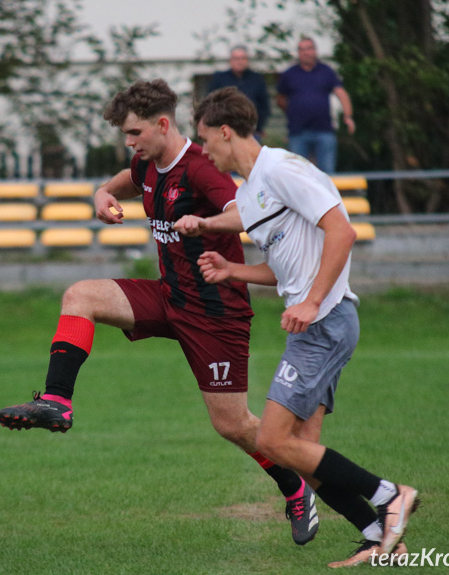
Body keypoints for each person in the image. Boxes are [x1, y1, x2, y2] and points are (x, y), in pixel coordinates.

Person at [0, 79, 319, 545]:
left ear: (162, 125)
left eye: (134, 133)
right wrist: (101, 194)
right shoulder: (148, 164)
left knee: (231, 424)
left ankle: (295, 487)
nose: (130, 143)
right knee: (80, 296)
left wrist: (206, 222)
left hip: (215, 313)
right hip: (169, 297)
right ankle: (56, 403)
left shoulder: (201, 169)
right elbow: (126, 181)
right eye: (126, 136)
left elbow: (244, 214)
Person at [176, 86, 419, 567]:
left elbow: (341, 231)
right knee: (304, 450)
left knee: (271, 441)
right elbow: (283, 263)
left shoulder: (281, 169)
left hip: (323, 322)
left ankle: (391, 496)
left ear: (226, 132)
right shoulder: (253, 188)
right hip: (320, 323)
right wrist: (232, 271)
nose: (203, 151)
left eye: (205, 140)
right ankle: (379, 537)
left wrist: (310, 302)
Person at [276, 37, 355, 173]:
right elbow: (280, 99)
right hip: (297, 133)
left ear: (315, 51)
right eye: (302, 49)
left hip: (324, 131)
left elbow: (341, 93)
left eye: (308, 49)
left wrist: (348, 116)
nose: (305, 52)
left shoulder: (326, 71)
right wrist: (293, 112)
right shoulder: (289, 74)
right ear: (298, 53)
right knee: (298, 174)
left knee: (327, 174)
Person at [206, 45, 270, 140]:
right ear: (230, 60)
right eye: (236, 58)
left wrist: (259, 126)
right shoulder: (219, 79)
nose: (240, 61)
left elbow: (264, 105)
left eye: (243, 58)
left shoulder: (256, 79)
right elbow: (210, 103)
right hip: (225, 131)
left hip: (251, 131)